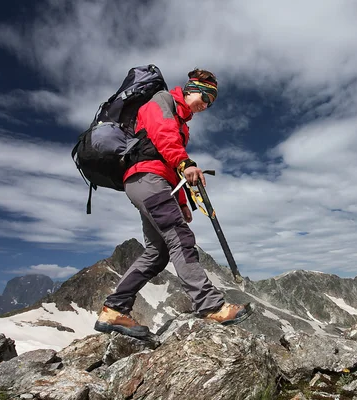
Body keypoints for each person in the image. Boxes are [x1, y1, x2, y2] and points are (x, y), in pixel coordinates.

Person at [94, 69, 252, 338]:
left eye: (211, 102)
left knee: (157, 252)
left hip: (150, 182)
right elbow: (163, 134)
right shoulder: (163, 100)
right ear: (191, 88)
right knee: (180, 239)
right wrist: (185, 161)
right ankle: (210, 305)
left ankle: (114, 310)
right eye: (205, 96)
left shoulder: (181, 121)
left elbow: (169, 167)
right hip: (148, 179)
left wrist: (181, 204)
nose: (206, 104)